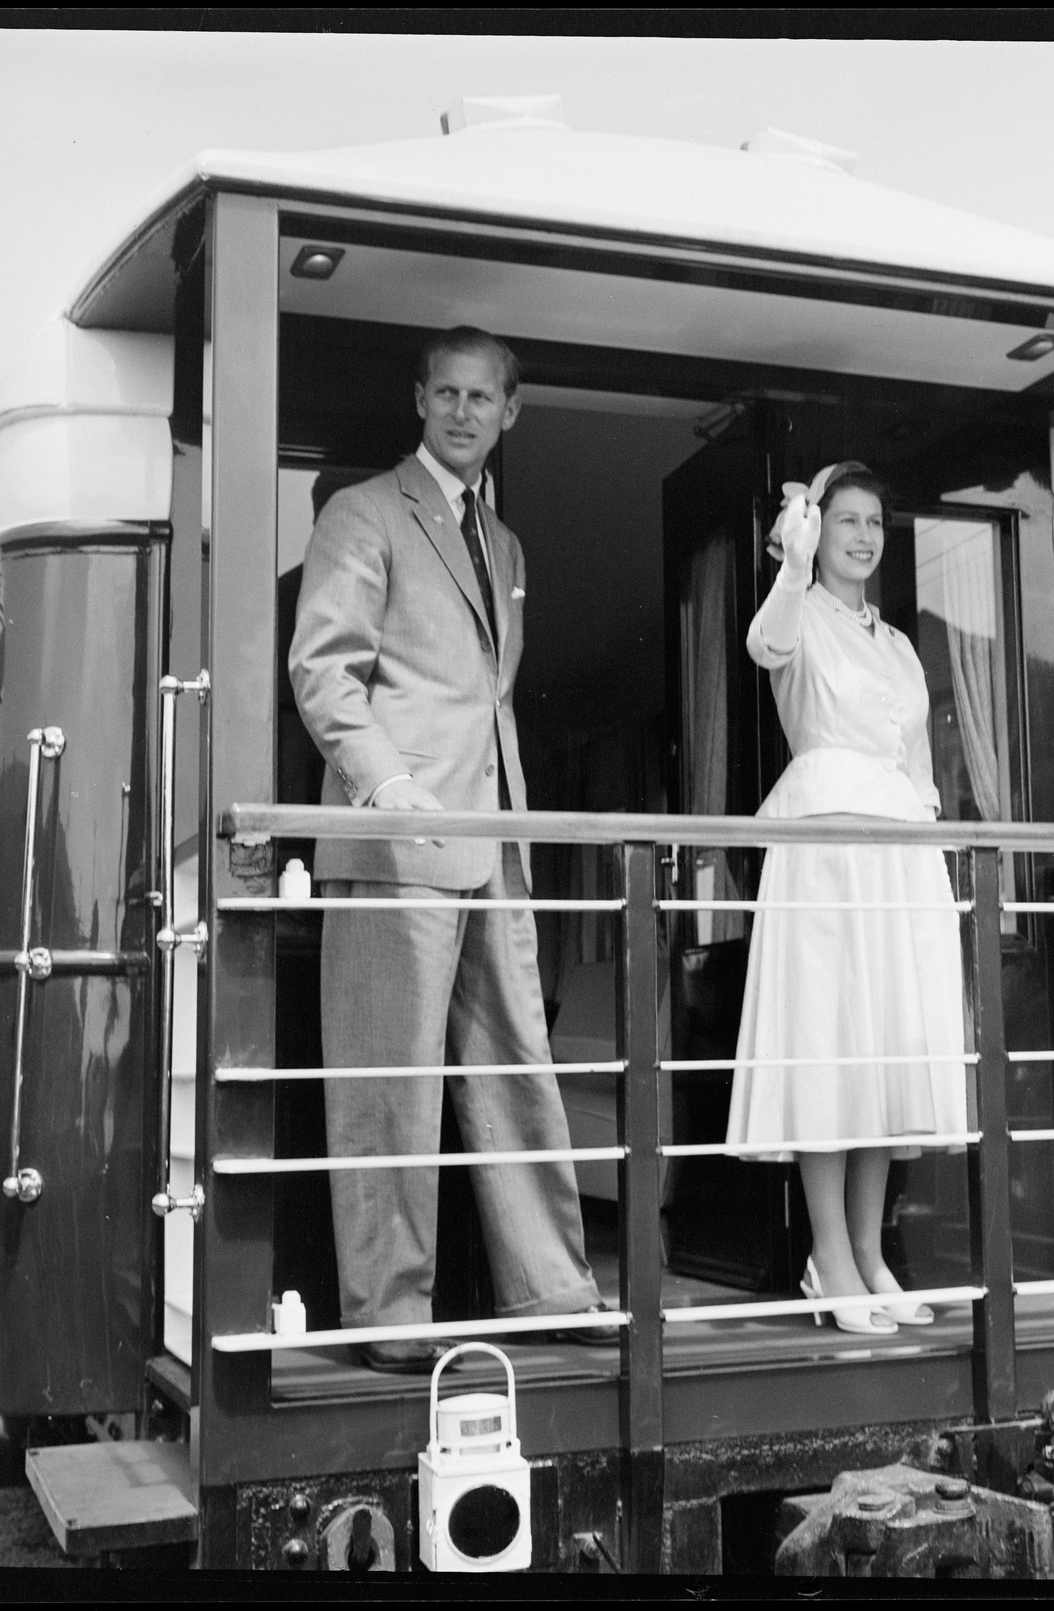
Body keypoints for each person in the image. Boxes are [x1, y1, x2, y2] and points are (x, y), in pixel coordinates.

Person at [288, 326, 609, 1372]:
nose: (463, 412)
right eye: (447, 394)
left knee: (518, 1066)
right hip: (395, 839)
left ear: (509, 411)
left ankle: (552, 1291)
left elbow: (487, 700)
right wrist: (388, 785)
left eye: (483, 397)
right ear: (419, 401)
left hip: (491, 836)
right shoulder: (362, 512)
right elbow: (325, 670)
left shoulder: (503, 543)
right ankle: (389, 1313)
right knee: (392, 1085)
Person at [725, 462, 968, 1336]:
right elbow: (765, 644)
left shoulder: (899, 644)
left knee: (881, 1060)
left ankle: (868, 1254)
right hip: (826, 853)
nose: (862, 536)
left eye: (874, 522)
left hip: (897, 857)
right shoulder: (795, 614)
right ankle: (826, 1258)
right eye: (846, 521)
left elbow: (919, 769)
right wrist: (790, 560)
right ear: (816, 529)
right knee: (830, 1054)